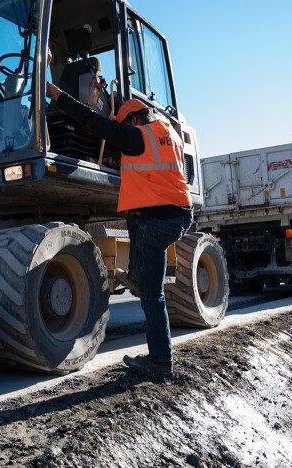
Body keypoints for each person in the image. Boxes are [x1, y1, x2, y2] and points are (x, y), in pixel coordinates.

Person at [45, 82, 193, 378]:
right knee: (139, 241)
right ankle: (137, 279)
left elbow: (92, 121)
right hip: (177, 214)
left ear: (133, 119)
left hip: (156, 219)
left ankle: (160, 362)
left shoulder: (137, 136)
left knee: (151, 296)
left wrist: (58, 96)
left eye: (123, 124)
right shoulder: (169, 134)